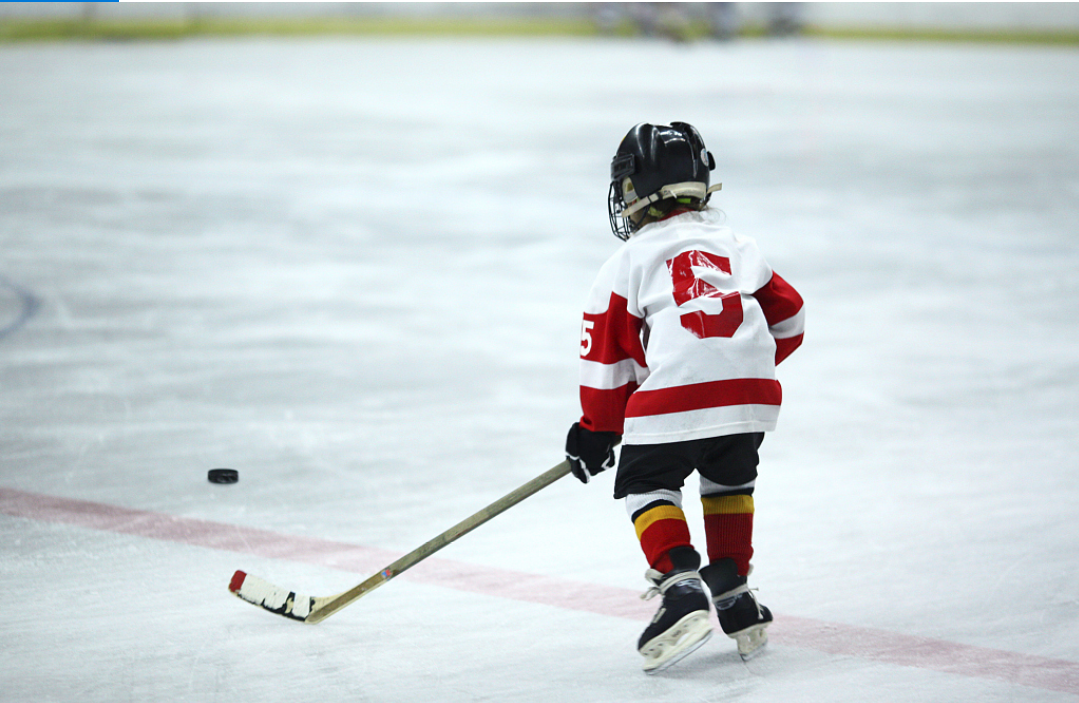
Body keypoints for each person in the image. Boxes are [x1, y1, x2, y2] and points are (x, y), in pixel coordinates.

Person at [565, 122, 804, 673]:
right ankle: (733, 590)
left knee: (648, 482)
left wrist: (597, 430)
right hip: (749, 398)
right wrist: (743, 364)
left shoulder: (627, 262)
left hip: (675, 398)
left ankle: (680, 588)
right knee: (729, 479)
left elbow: (606, 358)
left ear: (634, 191)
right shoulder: (738, 246)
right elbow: (790, 317)